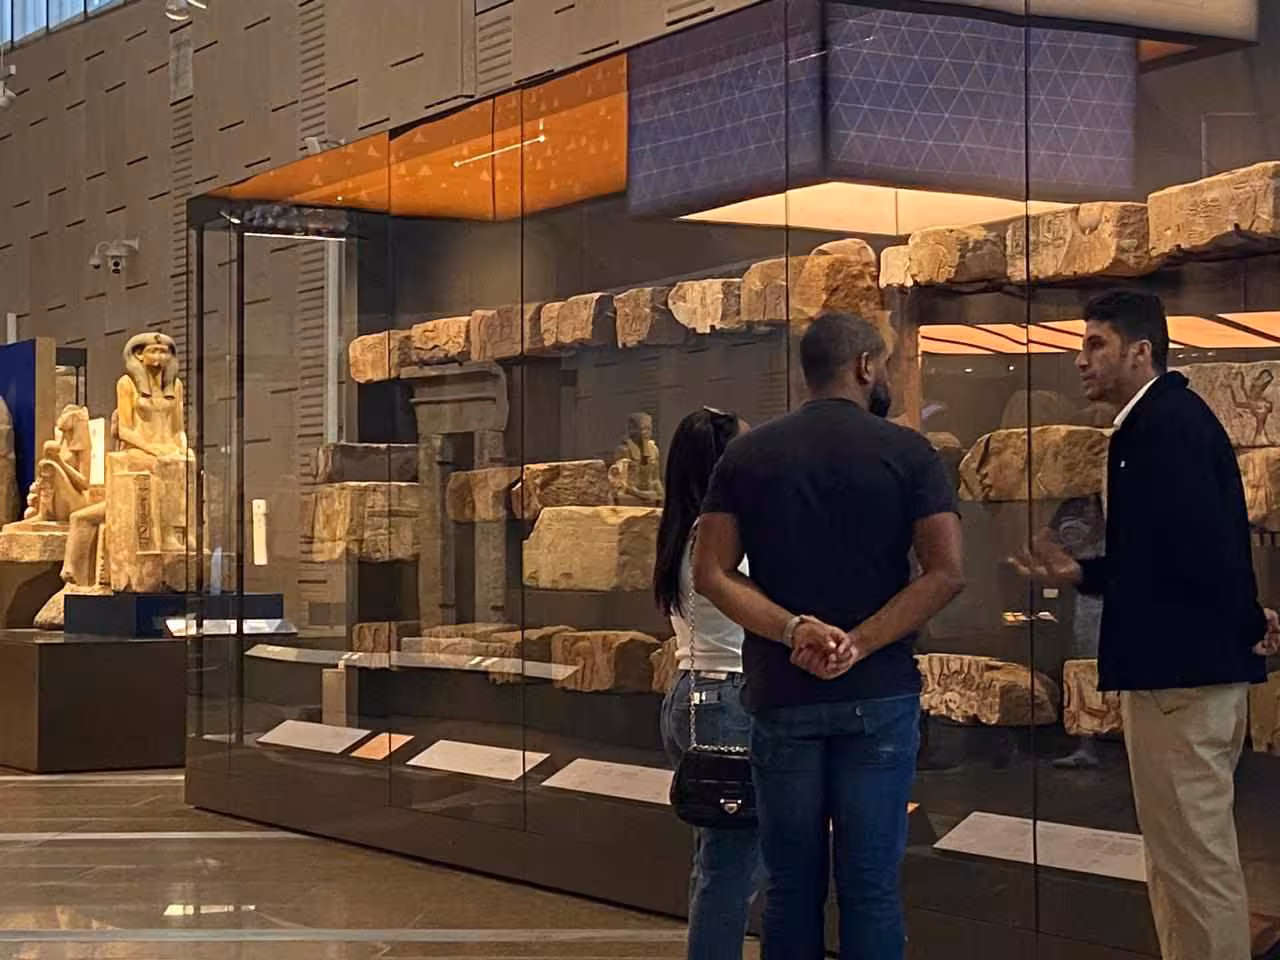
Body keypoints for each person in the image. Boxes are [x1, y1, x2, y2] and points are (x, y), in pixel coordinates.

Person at [1013, 289, 1280, 960]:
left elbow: (1207, 548)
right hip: (1180, 674)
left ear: (1141, 351)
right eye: (1081, 345)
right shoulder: (1153, 424)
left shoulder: (1166, 424)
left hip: (1181, 680)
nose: (1080, 361)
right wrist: (1084, 576)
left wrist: (1248, 618)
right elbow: (1161, 555)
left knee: (1194, 867)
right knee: (1178, 863)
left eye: (1095, 344)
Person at [693, 313, 965, 960]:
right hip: (878, 694)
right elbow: (947, 571)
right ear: (866, 365)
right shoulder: (908, 452)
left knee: (790, 887)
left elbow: (711, 574)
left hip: (783, 690)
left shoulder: (747, 454)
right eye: (889, 364)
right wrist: (860, 643)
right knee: (870, 888)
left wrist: (793, 629)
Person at [654, 407, 759, 960]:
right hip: (725, 699)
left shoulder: (686, 528)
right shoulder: (715, 535)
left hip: (697, 692)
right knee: (730, 870)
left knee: (716, 859)